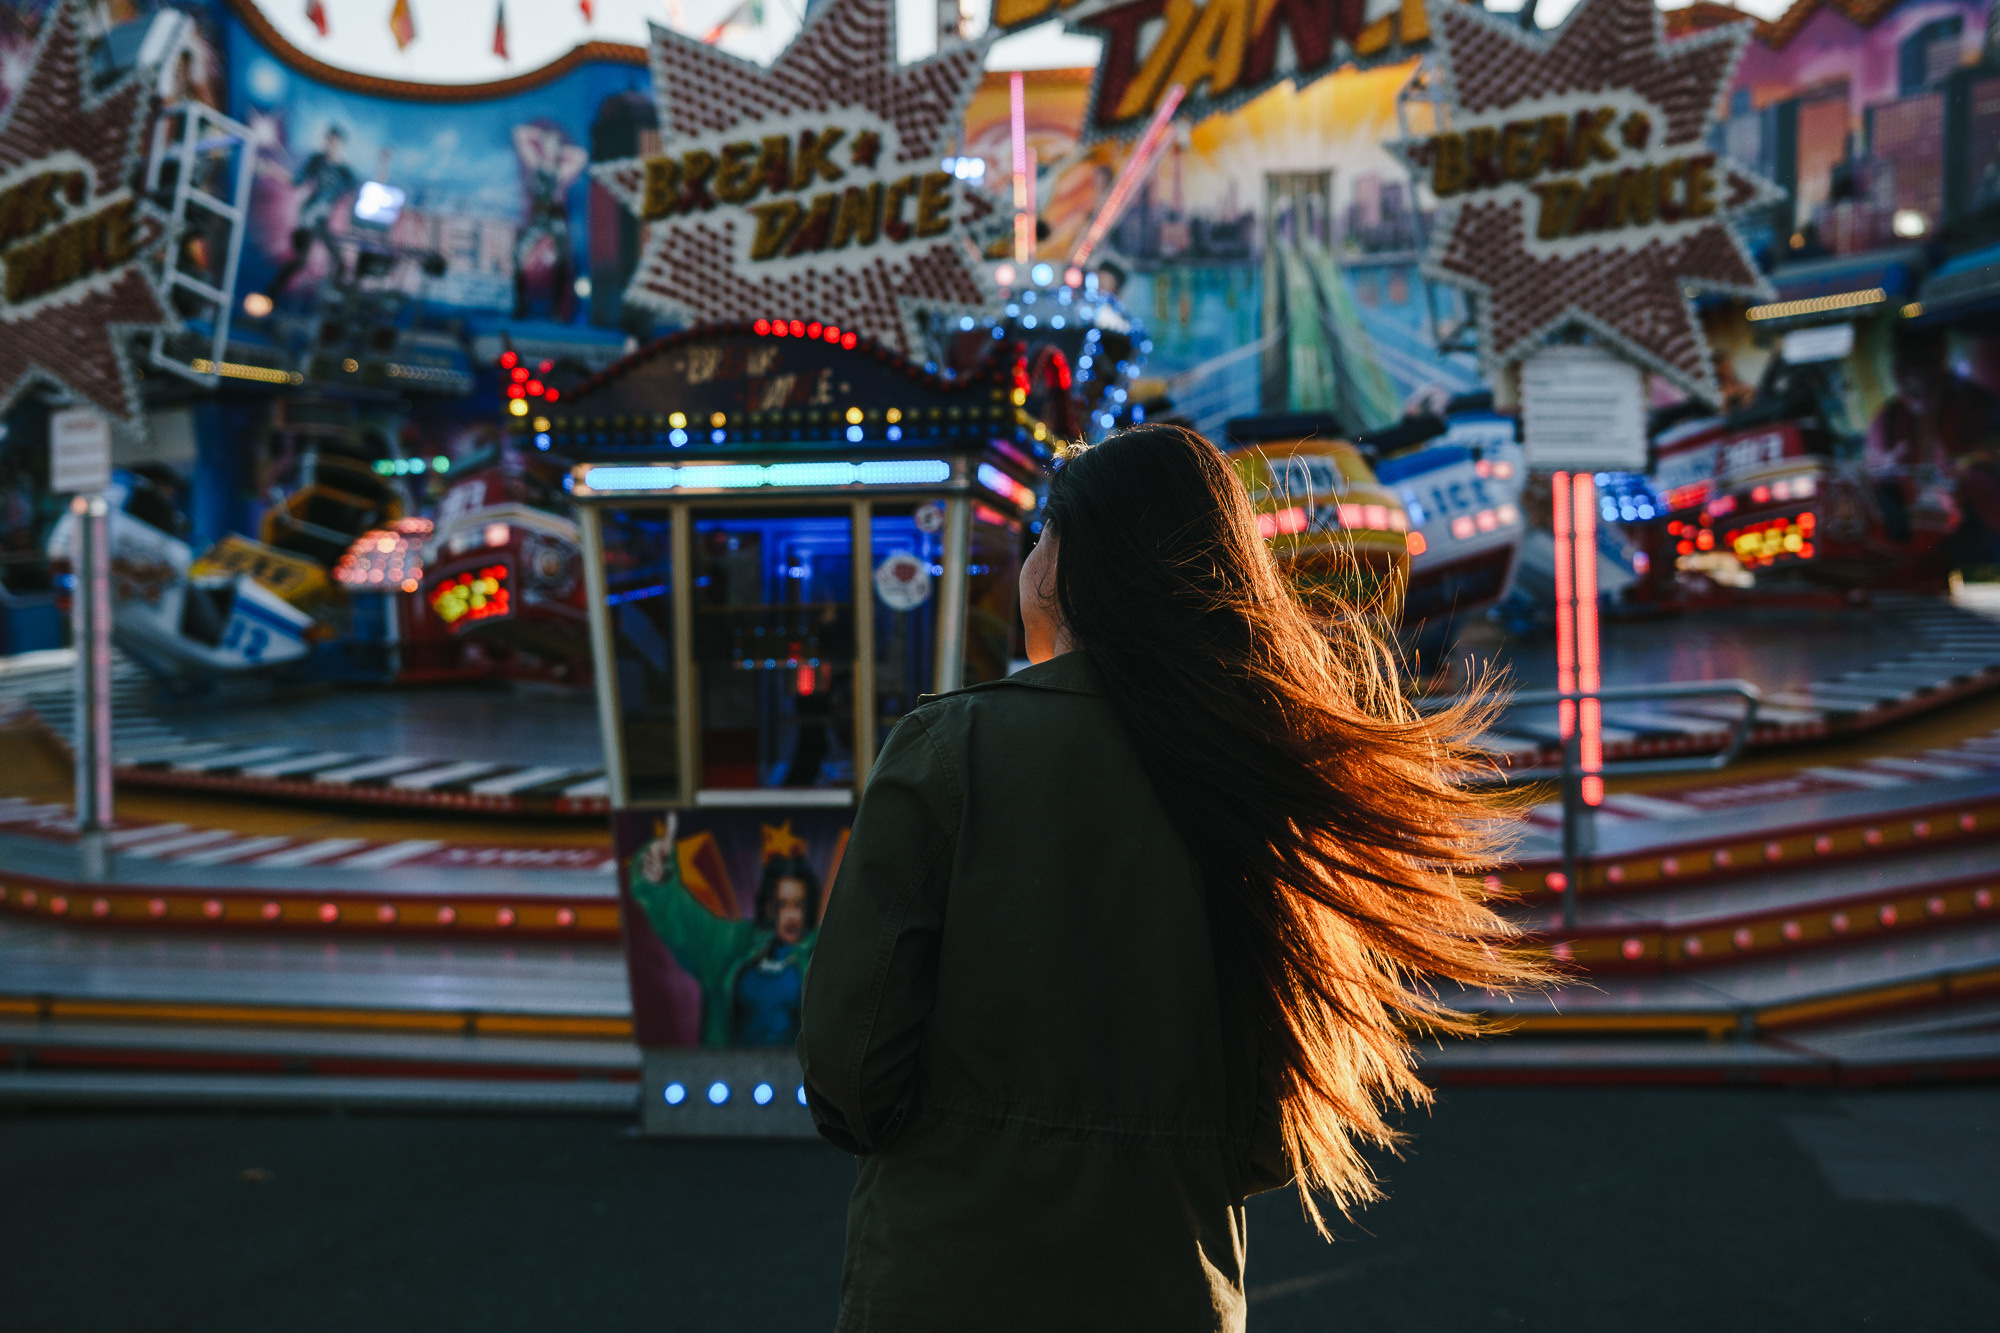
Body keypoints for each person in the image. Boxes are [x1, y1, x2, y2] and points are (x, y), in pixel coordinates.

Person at [799, 424, 1545, 1331]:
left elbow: (850, 1053)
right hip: (1169, 1283)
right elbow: (1272, 1130)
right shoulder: (1257, 766)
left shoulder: (951, 748)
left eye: (1043, 532)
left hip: (944, 1273)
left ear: (1072, 560)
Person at [631, 826, 820, 1046]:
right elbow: (689, 926)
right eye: (781, 904)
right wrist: (659, 876)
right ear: (768, 907)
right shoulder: (735, 943)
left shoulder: (824, 949)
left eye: (799, 905)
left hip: (800, 1076)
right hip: (731, 1073)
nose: (791, 915)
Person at [1864, 328, 2000, 549]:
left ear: (1939, 356)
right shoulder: (1888, 418)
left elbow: (1989, 457)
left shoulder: (1973, 403)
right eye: (1903, 360)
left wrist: (1963, 469)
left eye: (1920, 360)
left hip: (1978, 528)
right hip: (1917, 540)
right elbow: (1873, 473)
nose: (1911, 370)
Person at [267, 125, 358, 299]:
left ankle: (337, 295)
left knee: (339, 260)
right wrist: (274, 171)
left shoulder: (345, 172)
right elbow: (296, 181)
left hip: (322, 221)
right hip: (308, 219)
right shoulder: (317, 161)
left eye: (335, 142)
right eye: (329, 140)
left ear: (340, 144)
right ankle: (271, 294)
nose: (331, 145)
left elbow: (359, 193)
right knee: (301, 260)